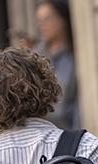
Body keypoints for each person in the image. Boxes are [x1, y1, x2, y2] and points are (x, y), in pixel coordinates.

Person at [33, 0, 78, 130]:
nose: (42, 25)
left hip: (70, 132)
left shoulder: (75, 55)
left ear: (62, 20)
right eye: (39, 20)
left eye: (47, 19)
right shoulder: (34, 56)